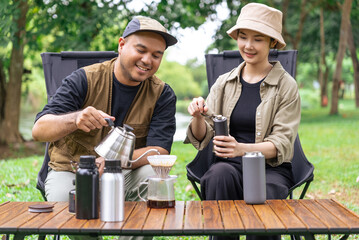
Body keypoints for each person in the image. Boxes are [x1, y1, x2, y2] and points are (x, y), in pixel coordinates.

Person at [185, 3, 301, 240]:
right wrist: (197, 116)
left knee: (267, 190)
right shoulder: (223, 82)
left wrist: (241, 149)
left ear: (272, 43)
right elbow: (202, 135)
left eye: (258, 39)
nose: (248, 46)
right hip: (229, 166)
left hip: (271, 168)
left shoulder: (286, 86)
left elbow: (281, 143)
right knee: (218, 176)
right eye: (243, 37)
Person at [32, 16, 177, 205]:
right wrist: (75, 119)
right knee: (70, 207)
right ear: (121, 45)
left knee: (154, 174)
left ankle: (131, 234)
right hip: (72, 172)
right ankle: (90, 235)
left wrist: (113, 162)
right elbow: (39, 130)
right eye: (140, 50)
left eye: (156, 55)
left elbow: (159, 151)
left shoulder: (162, 94)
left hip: (124, 175)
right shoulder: (82, 79)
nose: (147, 60)